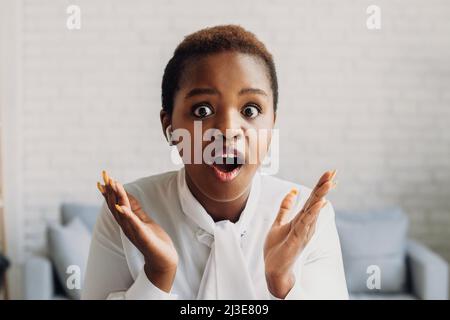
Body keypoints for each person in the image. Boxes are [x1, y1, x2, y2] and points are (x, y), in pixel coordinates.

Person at [82, 25, 348, 300]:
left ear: (271, 126)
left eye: (250, 110)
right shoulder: (126, 213)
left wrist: (283, 284)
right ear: (169, 127)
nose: (228, 129)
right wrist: (157, 276)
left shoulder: (308, 217)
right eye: (202, 110)